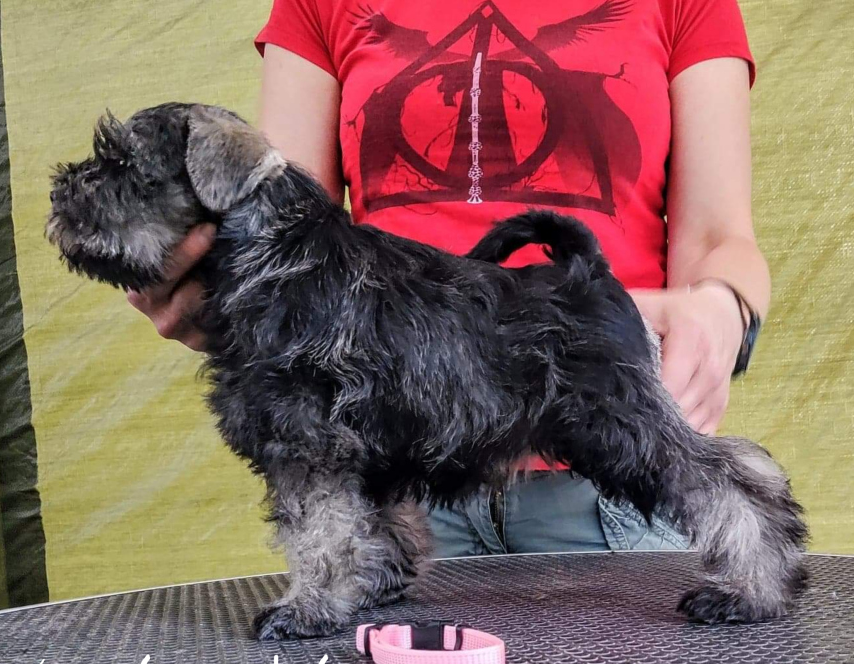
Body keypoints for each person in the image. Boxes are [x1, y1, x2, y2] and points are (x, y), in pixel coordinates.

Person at [128, 0, 769, 557]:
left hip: (605, 480)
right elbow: (285, 233)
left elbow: (720, 237)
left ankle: (749, 514)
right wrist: (212, 292)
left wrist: (720, 306)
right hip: (398, 480)